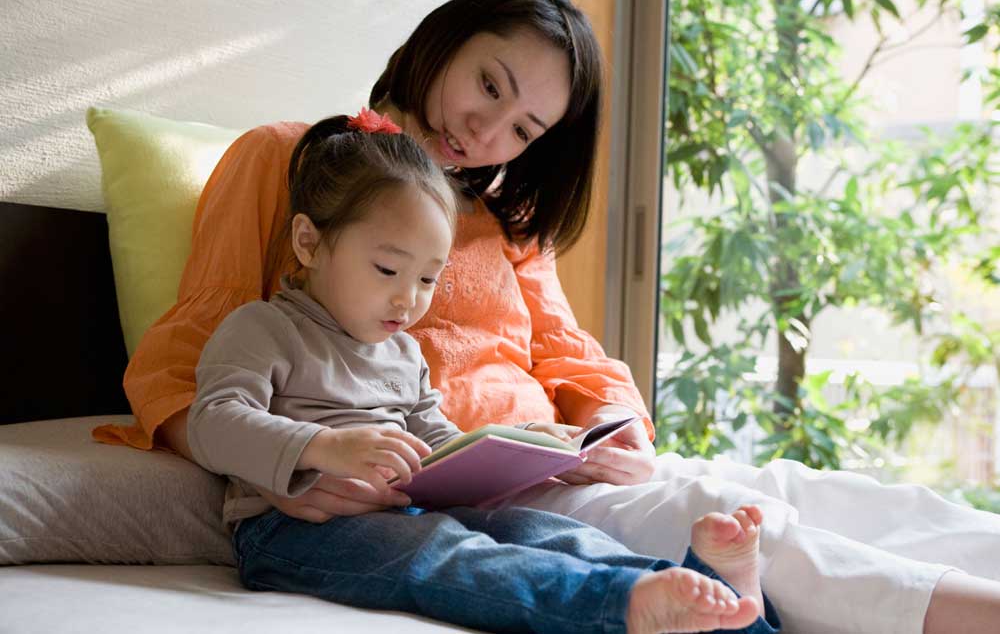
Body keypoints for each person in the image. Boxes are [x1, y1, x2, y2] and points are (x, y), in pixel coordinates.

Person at [94, 0, 1000, 634]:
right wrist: (302, 460)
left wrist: (611, 421)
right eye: (489, 85)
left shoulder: (506, 221)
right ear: (444, 40)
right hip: (449, 496)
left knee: (803, 487)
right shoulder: (288, 159)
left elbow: (570, 352)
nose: (489, 133)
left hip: (550, 466)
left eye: (525, 128)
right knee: (761, 523)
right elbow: (183, 362)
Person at [187, 110, 781, 634]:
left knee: (533, 530)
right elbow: (212, 422)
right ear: (309, 242)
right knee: (446, 556)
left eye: (427, 280)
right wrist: (325, 447)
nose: (408, 302)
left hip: (410, 508)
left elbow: (437, 439)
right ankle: (622, 604)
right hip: (291, 534)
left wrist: (519, 444)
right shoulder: (263, 328)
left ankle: (715, 597)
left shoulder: (403, 354)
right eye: (387, 270)